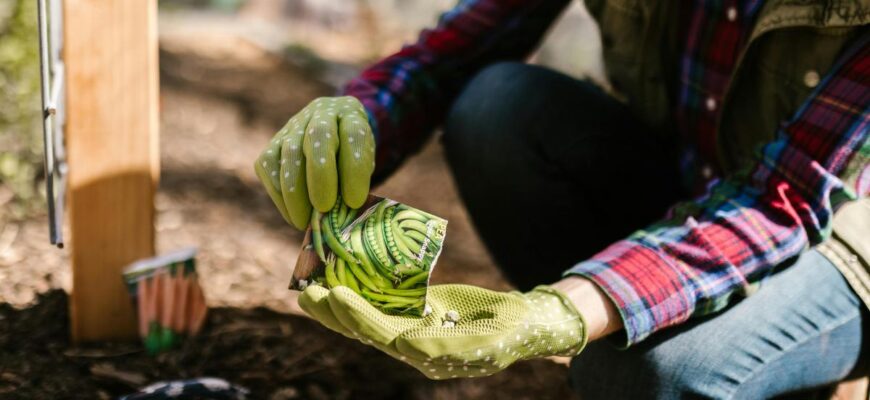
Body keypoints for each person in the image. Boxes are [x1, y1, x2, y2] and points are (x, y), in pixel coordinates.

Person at [255, 0, 870, 397]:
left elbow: (776, 200)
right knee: (498, 106)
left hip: (833, 240)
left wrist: (558, 314)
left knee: (645, 375)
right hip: (687, 192)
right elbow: (456, 50)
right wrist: (359, 123)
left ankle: (762, 363)